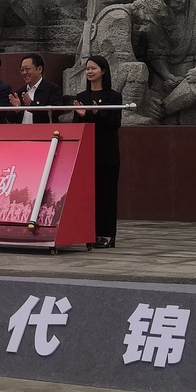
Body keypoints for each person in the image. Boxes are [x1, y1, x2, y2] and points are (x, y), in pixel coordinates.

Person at [72, 54, 124, 248]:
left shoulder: (114, 96)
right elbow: (77, 125)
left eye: (93, 68)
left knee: (107, 195)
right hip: (88, 153)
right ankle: (90, 232)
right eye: (87, 69)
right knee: (89, 195)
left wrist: (97, 113)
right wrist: (82, 115)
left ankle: (108, 235)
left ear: (103, 71)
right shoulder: (82, 97)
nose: (90, 72)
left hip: (107, 153)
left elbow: (115, 123)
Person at [9, 53, 64, 124]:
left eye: (27, 69)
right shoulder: (20, 92)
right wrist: (17, 110)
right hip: (22, 130)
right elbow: (11, 119)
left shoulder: (52, 89)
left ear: (39, 69)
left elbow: (56, 113)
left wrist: (32, 105)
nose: (24, 73)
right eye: (22, 70)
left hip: (42, 130)